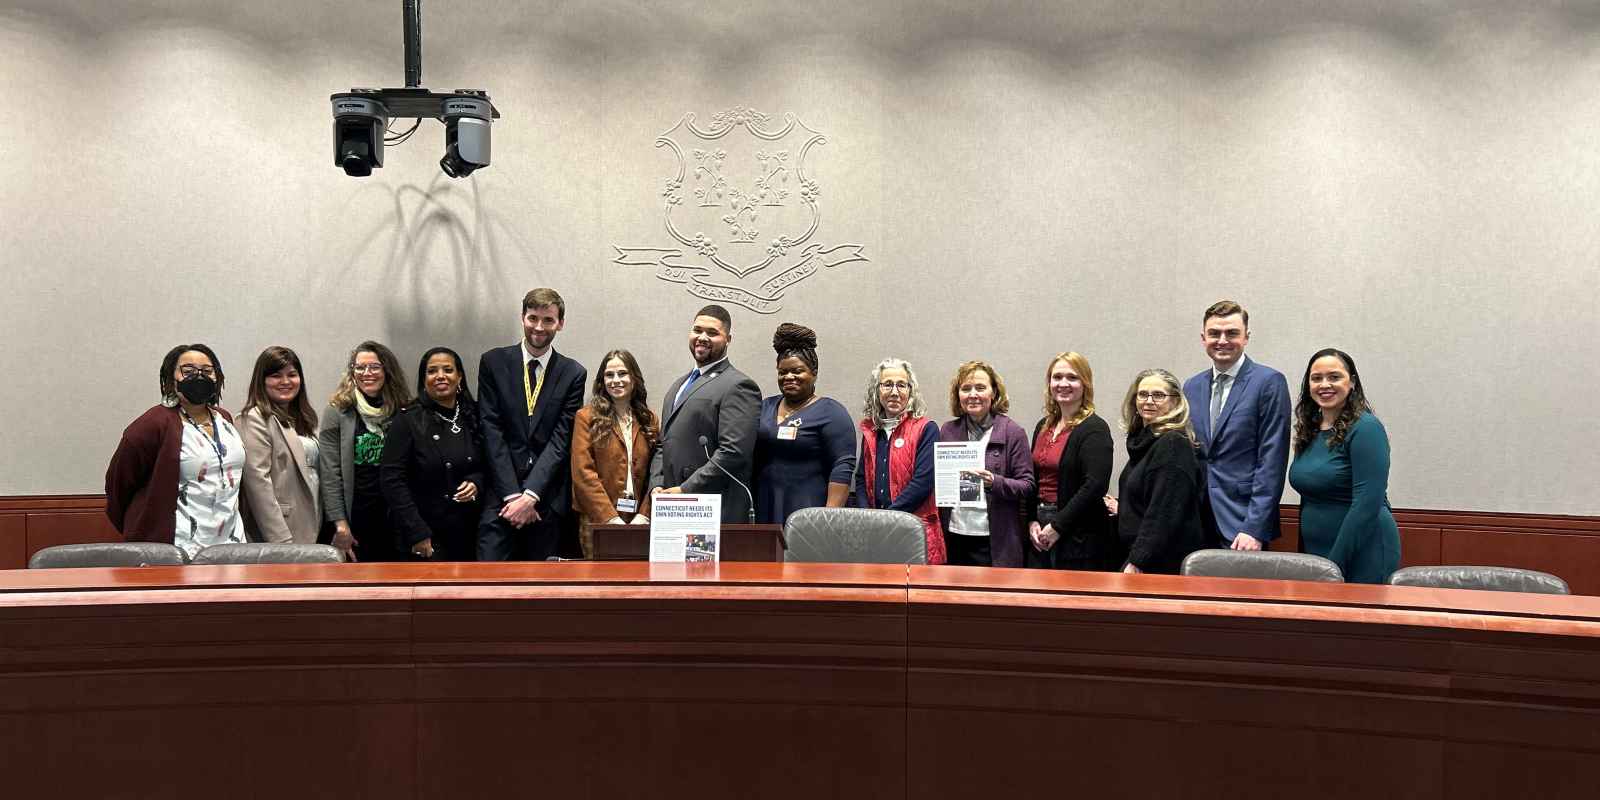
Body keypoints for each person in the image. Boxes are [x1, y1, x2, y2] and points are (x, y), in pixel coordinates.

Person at [476, 288, 587, 561]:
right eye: (533, 318)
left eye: (548, 320)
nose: (539, 327)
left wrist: (531, 495)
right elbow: (491, 430)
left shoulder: (573, 373)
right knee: (487, 585)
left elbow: (561, 439)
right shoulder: (493, 362)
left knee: (543, 593)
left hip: (545, 498)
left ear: (560, 323)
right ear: (522, 317)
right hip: (501, 496)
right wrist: (514, 495)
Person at [105, 344, 246, 559]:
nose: (199, 377)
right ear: (171, 379)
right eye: (188, 371)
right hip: (178, 548)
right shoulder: (153, 424)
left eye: (207, 371)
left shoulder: (225, 419)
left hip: (229, 543)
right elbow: (119, 485)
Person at [1182, 300, 1291, 551]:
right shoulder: (1192, 386)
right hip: (1197, 520)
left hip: (1241, 523)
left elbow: (1272, 459)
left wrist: (1254, 527)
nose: (1222, 340)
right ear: (1203, 338)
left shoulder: (1269, 383)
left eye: (1231, 333)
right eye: (1214, 333)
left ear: (1246, 337)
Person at [1287, 349, 1399, 584]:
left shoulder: (1366, 428)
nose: (1324, 384)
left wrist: (1334, 565)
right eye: (1316, 378)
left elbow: (1367, 503)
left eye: (1334, 377)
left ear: (1352, 383)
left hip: (1361, 550)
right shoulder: (1311, 428)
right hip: (1318, 552)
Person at [649, 304, 761, 523]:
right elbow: (664, 444)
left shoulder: (739, 385)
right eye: (697, 330)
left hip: (715, 509)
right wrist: (657, 484)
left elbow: (733, 452)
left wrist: (685, 490)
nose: (702, 337)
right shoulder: (677, 386)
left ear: (728, 339)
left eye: (712, 333)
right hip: (672, 507)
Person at [380, 347, 485, 561]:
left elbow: (489, 463)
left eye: (448, 370)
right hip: (425, 534)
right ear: (424, 379)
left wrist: (477, 482)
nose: (440, 376)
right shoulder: (407, 419)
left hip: (470, 530)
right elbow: (392, 480)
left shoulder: (474, 414)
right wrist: (417, 532)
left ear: (460, 377)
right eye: (432, 371)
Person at [318, 340, 412, 562]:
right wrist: (340, 524)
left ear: (387, 370)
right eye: (359, 367)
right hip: (357, 517)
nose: (366, 373)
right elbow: (330, 473)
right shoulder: (338, 410)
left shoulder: (405, 410)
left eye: (374, 367)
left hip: (397, 516)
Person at [752, 323, 855, 525]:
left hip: (809, 508)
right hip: (765, 505)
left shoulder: (831, 412)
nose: (789, 377)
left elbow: (843, 465)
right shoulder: (764, 407)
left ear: (813, 372)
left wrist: (829, 517)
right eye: (783, 372)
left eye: (797, 371)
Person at [1023, 352, 1117, 571]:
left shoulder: (1095, 429)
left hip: (1078, 531)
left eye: (1072, 378)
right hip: (1040, 524)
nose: (1063, 383)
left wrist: (1058, 526)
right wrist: (1031, 521)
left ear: (1085, 384)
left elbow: (1094, 486)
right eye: (1057, 377)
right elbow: (1031, 477)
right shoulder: (1043, 426)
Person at [937, 361, 1034, 568]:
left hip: (994, 539)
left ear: (994, 393)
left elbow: (1027, 485)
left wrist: (994, 482)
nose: (973, 394)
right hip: (954, 534)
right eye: (966, 388)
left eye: (980, 388)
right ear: (958, 395)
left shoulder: (1012, 432)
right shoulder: (948, 431)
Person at [851, 358, 945, 564]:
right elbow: (860, 479)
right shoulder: (870, 431)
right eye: (887, 384)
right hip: (875, 533)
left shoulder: (926, 428)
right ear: (877, 390)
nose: (894, 392)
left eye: (901, 385)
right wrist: (868, 516)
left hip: (915, 530)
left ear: (911, 391)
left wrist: (887, 518)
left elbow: (923, 482)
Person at [1111, 369, 1204, 574]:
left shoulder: (1172, 444)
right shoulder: (1143, 442)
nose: (1149, 401)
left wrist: (1137, 561)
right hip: (1142, 555)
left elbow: (1165, 512)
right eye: (1142, 394)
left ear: (1175, 402)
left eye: (1159, 395)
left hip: (1159, 562)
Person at [570, 349, 659, 555]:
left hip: (639, 519)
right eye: (609, 375)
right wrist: (610, 519)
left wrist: (645, 515)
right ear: (602, 381)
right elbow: (583, 474)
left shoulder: (649, 419)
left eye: (622, 373)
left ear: (634, 378)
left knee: (636, 582)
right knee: (599, 583)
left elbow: (657, 473)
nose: (615, 380)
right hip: (597, 519)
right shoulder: (586, 418)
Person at [237, 346, 322, 545]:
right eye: (276, 376)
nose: (285, 382)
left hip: (313, 523)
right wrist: (281, 542)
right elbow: (258, 484)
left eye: (292, 374)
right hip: (282, 531)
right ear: (262, 381)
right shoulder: (253, 418)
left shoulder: (303, 419)